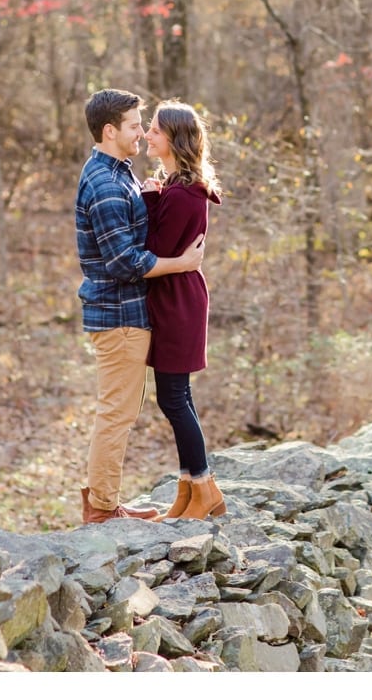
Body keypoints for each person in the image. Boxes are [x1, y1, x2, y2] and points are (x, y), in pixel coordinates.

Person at [76, 88, 204, 525]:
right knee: (116, 414)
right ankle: (102, 510)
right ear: (110, 131)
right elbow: (123, 261)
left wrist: (150, 195)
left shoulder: (120, 174)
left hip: (130, 314)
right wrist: (181, 263)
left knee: (120, 412)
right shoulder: (107, 184)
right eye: (135, 125)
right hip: (118, 316)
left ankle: (106, 500)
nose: (141, 133)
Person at [142, 100, 226, 520]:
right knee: (177, 397)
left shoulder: (182, 194)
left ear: (174, 139)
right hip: (175, 297)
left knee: (173, 399)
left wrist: (148, 201)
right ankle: (190, 490)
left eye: (155, 130)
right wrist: (155, 197)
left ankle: (204, 489)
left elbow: (155, 250)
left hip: (177, 302)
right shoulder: (176, 187)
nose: (147, 135)